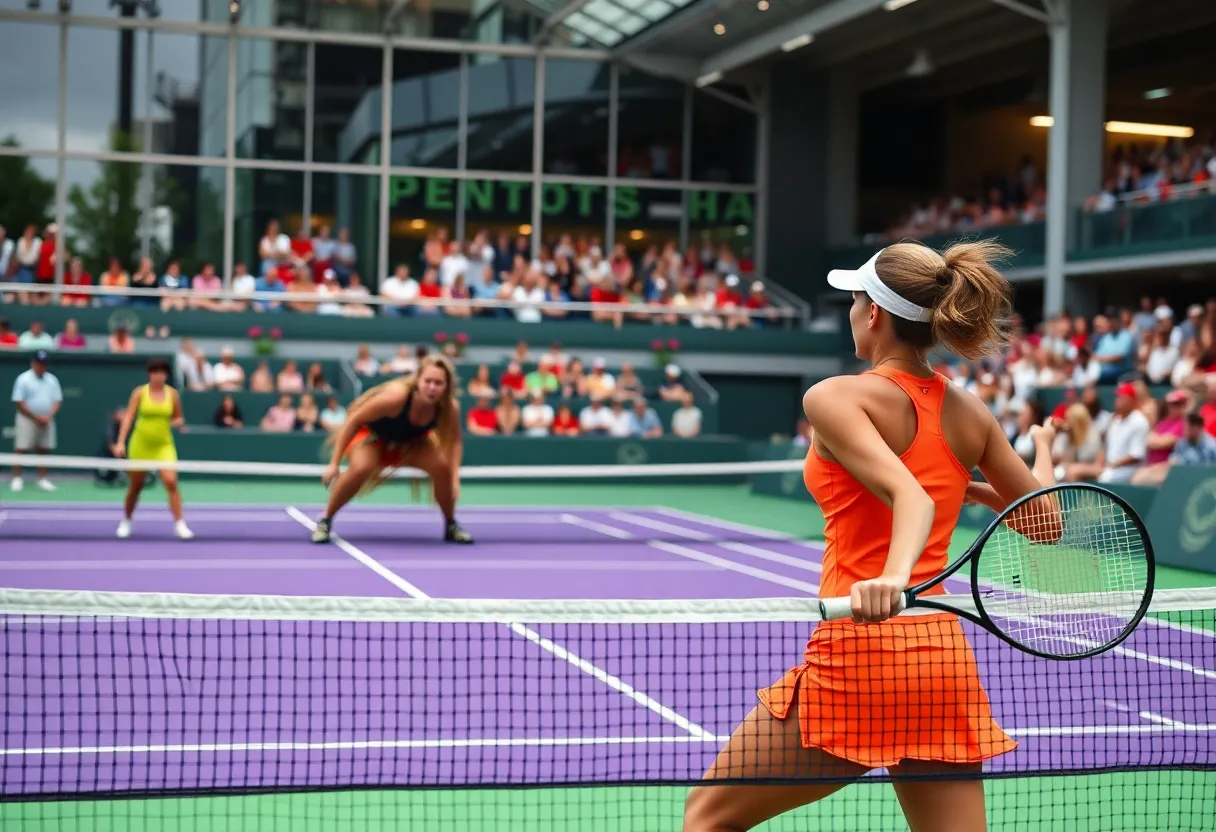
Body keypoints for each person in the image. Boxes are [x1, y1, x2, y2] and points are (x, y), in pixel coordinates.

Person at [682, 241, 1060, 832]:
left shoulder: (834, 396)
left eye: (854, 300)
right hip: (939, 661)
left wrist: (891, 577)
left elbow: (909, 494)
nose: (851, 312)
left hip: (861, 652)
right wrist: (1031, 458)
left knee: (707, 819)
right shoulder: (972, 414)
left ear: (875, 314)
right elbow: (1045, 521)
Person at [312, 354, 472, 545]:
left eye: (438, 383)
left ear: (447, 386)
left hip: (411, 444)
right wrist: (334, 463)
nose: (432, 387)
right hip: (371, 438)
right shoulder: (396, 397)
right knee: (362, 467)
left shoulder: (449, 408)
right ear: (418, 379)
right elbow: (354, 419)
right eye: (428, 381)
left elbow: (454, 442)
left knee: (442, 468)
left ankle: (450, 524)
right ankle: (325, 519)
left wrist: (454, 478)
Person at [111, 358, 193, 540]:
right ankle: (126, 520)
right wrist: (120, 442)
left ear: (166, 375)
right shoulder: (139, 393)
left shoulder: (173, 395)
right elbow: (128, 418)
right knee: (136, 486)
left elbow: (178, 418)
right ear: (150, 374)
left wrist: (179, 423)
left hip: (164, 445)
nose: (158, 376)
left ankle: (180, 524)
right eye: (154, 372)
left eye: (162, 372)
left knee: (171, 482)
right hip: (140, 445)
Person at [10, 350, 62, 492]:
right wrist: (36, 417)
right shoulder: (23, 379)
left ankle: (42, 479)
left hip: (46, 419)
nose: (41, 366)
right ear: (33, 363)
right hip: (27, 419)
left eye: (44, 363)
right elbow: (19, 402)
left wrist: (48, 417)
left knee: (43, 450)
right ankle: (17, 478)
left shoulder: (52, 380)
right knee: (21, 448)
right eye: (39, 363)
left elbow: (57, 401)